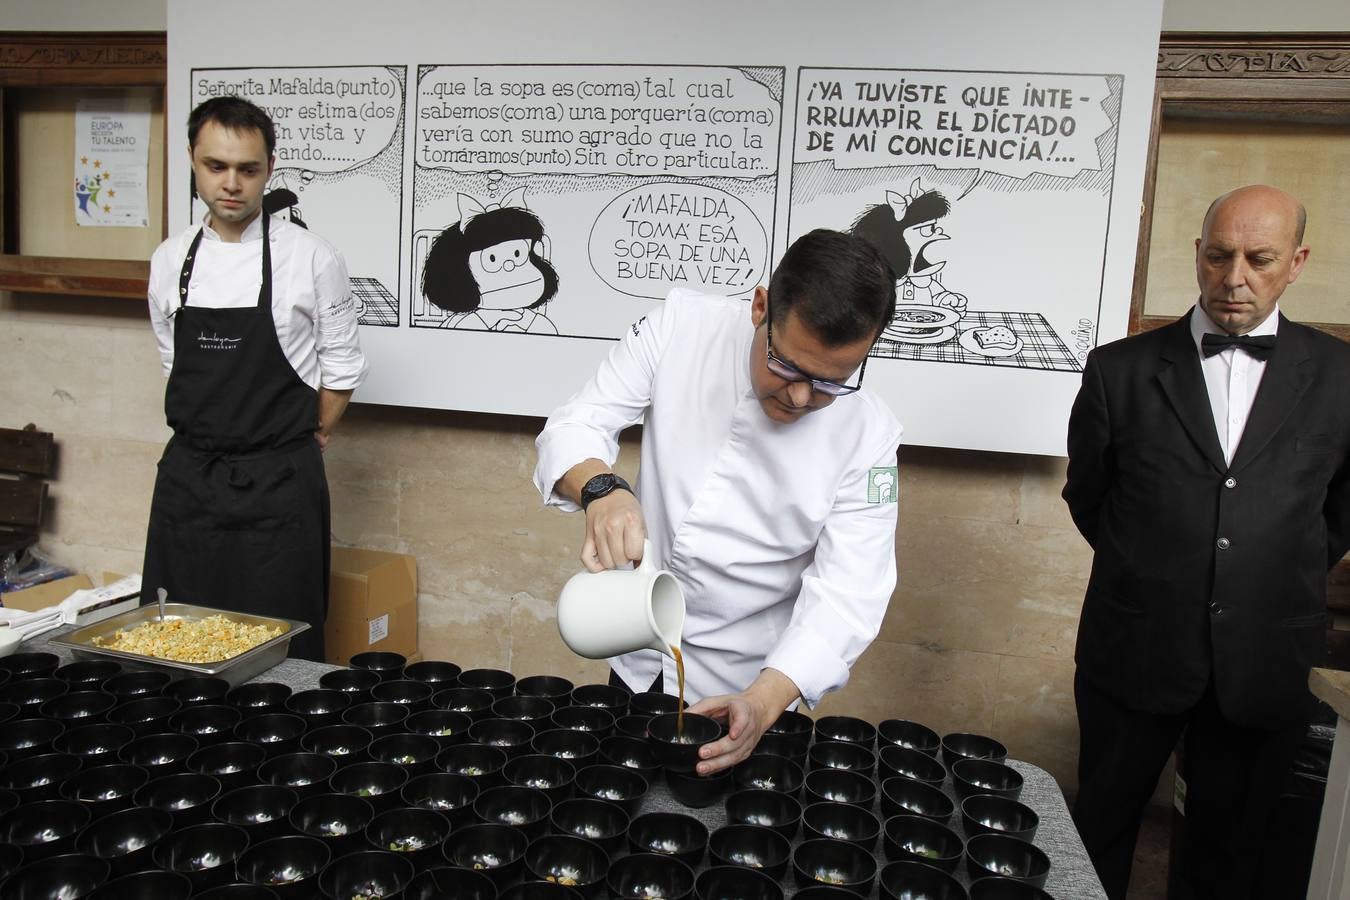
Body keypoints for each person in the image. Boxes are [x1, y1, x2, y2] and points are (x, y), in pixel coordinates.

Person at [1062, 184, 1350, 899]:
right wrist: (1157, 568)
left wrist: (1265, 575)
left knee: (1229, 852)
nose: (1234, 278)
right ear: (1197, 254)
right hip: (1134, 648)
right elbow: (1089, 497)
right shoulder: (1118, 370)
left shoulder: (1342, 377)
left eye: (1259, 259)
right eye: (1219, 256)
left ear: (1296, 262)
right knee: (1098, 831)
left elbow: (1341, 511)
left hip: (1266, 657)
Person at [534, 229, 903, 774]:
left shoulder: (871, 438)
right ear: (760, 308)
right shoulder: (682, 327)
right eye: (786, 366)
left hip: (756, 685)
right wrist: (601, 490)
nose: (800, 396)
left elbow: (851, 595)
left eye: (831, 382)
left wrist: (765, 701)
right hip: (641, 649)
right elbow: (576, 423)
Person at [141, 97, 367, 662]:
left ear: (269, 169)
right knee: (175, 643)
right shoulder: (170, 259)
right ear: (193, 161)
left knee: (282, 644)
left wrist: (307, 434)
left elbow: (342, 366)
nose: (231, 183)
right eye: (216, 166)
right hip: (189, 480)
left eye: (248, 169)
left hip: (279, 482)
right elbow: (173, 362)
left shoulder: (311, 257)